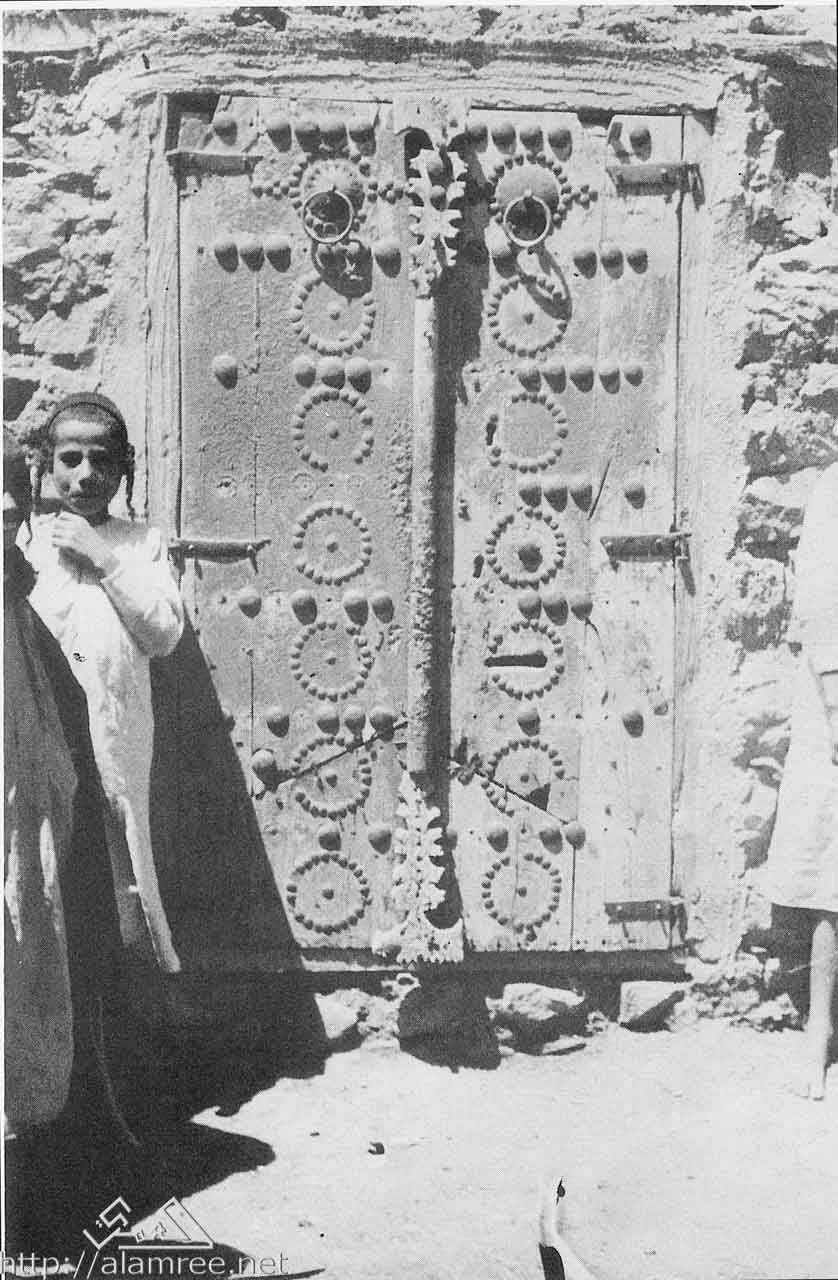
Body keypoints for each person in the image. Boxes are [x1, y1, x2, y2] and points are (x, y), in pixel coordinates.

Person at [23, 392, 184, 976]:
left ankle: (129, 998)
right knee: (44, 858)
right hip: (41, 733)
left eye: (102, 460)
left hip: (112, 734)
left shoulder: (140, 544)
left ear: (124, 468)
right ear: (46, 464)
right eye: (70, 459)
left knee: (118, 864)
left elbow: (163, 634)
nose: (86, 474)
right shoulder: (27, 541)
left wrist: (103, 559)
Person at [765, 461, 838, 1099]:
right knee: (832, 869)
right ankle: (820, 1028)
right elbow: (820, 611)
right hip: (833, 698)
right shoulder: (834, 491)